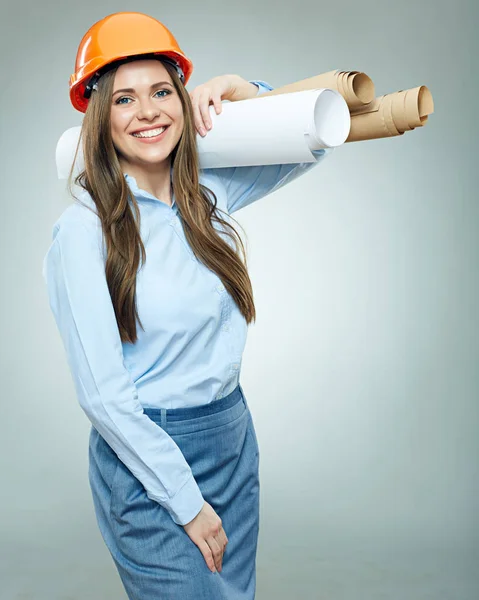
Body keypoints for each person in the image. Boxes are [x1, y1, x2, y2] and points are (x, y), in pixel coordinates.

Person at [42, 10, 332, 600]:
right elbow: (103, 396)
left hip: (229, 437)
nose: (147, 112)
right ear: (100, 116)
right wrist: (184, 501)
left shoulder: (209, 193)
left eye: (160, 92)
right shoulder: (83, 232)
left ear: (181, 99)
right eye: (124, 99)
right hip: (146, 459)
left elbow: (313, 141)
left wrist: (245, 93)